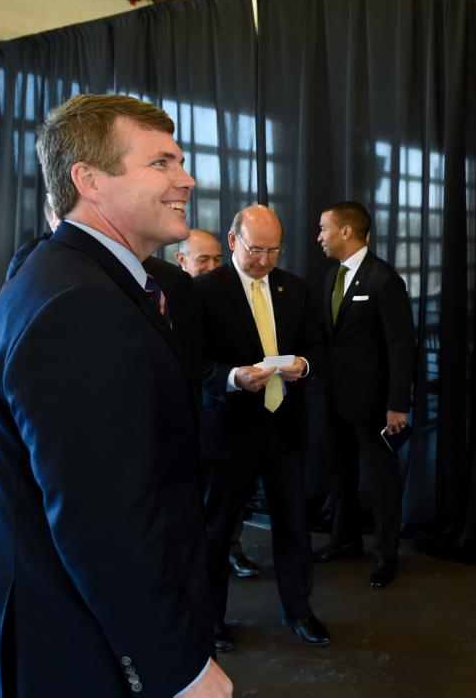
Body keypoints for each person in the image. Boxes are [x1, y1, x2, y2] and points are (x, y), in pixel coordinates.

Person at [0, 94, 230, 696]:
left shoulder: (63, 276)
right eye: (162, 163)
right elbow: (103, 524)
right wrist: (179, 668)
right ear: (89, 180)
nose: (187, 178)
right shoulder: (82, 304)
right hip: (82, 645)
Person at [195, 204, 328, 652]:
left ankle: (299, 609)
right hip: (228, 428)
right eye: (257, 250)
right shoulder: (203, 291)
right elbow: (190, 363)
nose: (266, 260)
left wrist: (304, 365)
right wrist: (233, 378)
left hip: (284, 426)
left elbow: (316, 346)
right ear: (233, 241)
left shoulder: (296, 288)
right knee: (216, 531)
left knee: (293, 522)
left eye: (274, 250)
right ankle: (210, 619)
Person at [313, 201, 416, 590]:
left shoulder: (383, 280)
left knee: (382, 478)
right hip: (336, 398)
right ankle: (343, 539)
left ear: (346, 232)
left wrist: (397, 405)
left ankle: (386, 554)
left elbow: (401, 345)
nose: (319, 236)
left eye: (324, 228)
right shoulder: (331, 277)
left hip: (374, 404)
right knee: (340, 473)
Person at [175, 228, 258, 578]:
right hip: (180, 416)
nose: (211, 266)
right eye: (202, 259)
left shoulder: (229, 294)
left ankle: (231, 550)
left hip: (221, 414)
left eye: (217, 259)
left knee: (227, 498)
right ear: (182, 261)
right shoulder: (166, 296)